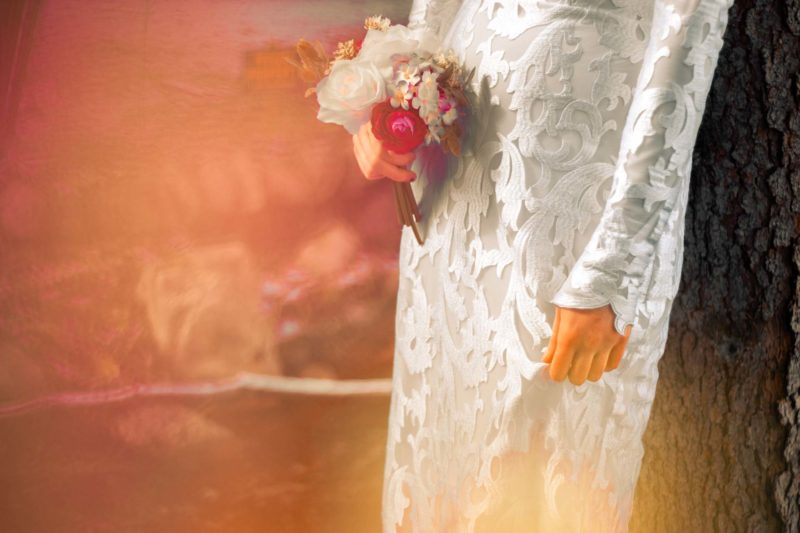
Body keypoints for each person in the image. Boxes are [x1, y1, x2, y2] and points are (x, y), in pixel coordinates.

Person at [352, 0, 734, 530]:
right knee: (439, 462)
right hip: (450, 214)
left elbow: (686, 47)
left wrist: (611, 272)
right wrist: (394, 117)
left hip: (566, 234)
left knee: (539, 486)